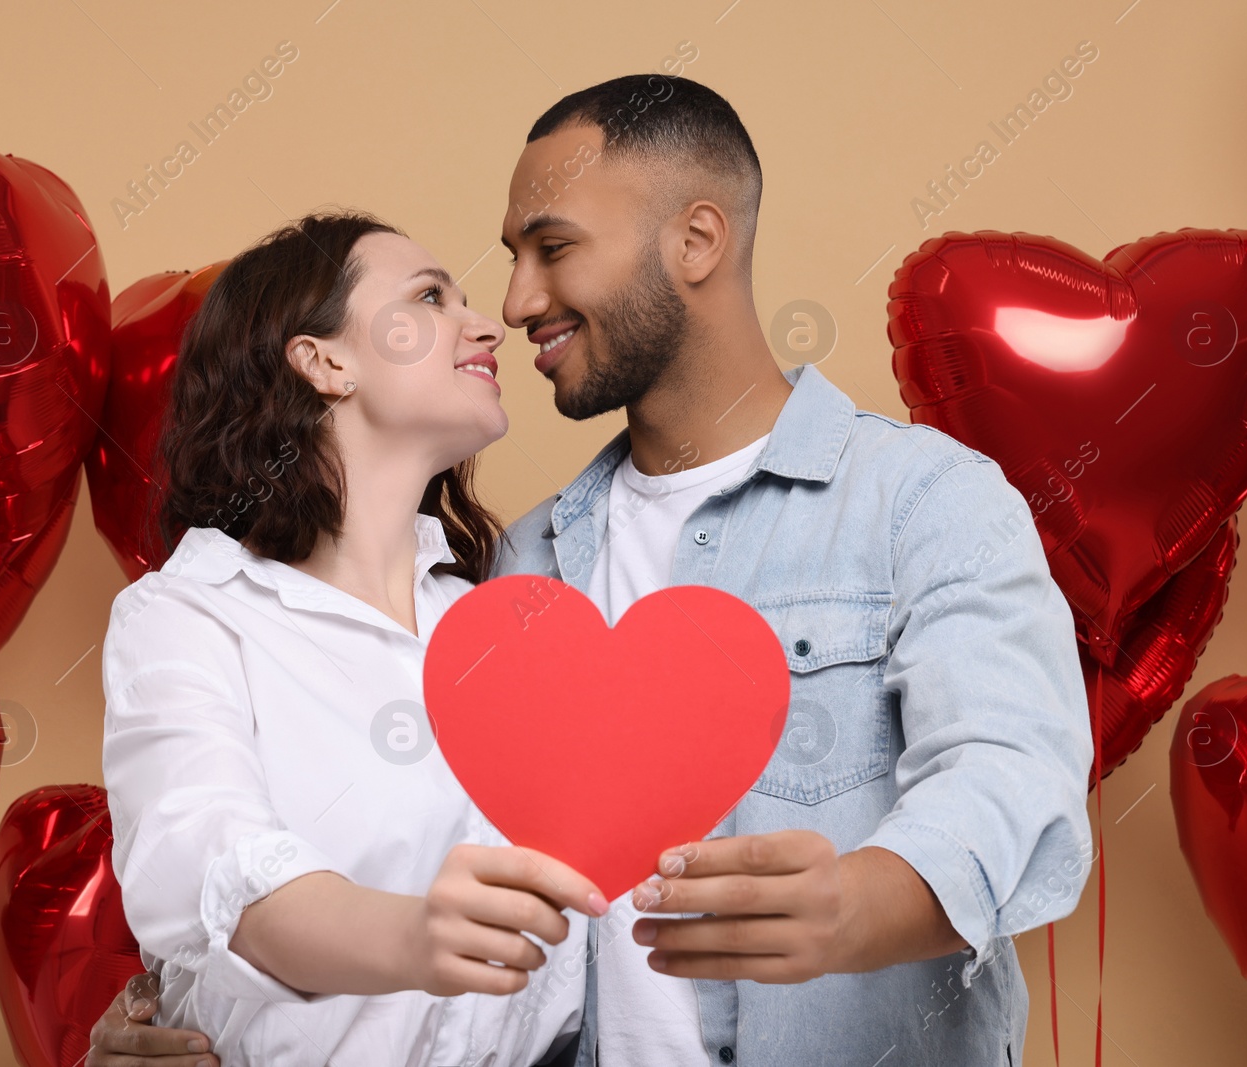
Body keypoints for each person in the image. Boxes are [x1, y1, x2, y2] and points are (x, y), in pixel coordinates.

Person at [93, 75, 1095, 1067]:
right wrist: (173, 1002)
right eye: (497, 266)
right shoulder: (519, 574)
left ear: (695, 241)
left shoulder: (920, 500)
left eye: (553, 248)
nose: (516, 303)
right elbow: (286, 834)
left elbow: (1013, 775)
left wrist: (855, 905)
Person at [97, 210, 611, 1067]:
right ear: (324, 359)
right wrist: (418, 936)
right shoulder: (191, 616)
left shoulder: (509, 609)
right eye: (430, 297)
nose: (488, 324)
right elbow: (219, 875)